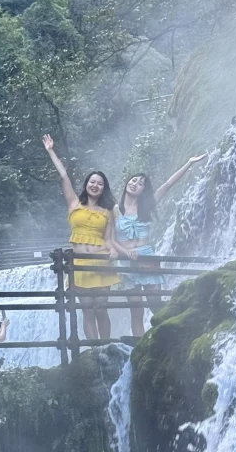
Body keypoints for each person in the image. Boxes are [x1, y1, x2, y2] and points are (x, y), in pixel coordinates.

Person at [114, 155, 209, 337]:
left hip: (147, 259)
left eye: (141, 183)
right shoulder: (115, 210)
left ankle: (168, 340)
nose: (135, 184)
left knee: (156, 305)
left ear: (144, 190)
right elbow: (111, 239)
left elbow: (167, 185)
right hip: (126, 261)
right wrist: (124, 251)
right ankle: (138, 346)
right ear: (127, 183)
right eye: (134, 180)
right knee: (136, 311)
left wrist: (188, 163)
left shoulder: (147, 205)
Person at [43, 134, 118, 341]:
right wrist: (51, 151)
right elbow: (64, 177)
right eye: (92, 182)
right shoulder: (74, 204)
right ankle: (95, 350)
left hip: (101, 262)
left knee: (101, 309)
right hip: (79, 264)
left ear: (104, 188)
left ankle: (106, 346)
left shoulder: (108, 211)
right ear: (86, 185)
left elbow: (109, 239)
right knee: (87, 309)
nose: (95, 185)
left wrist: (113, 250)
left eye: (100, 184)